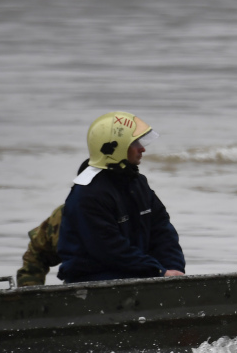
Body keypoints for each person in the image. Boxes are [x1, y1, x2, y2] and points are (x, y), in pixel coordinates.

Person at [56, 111, 186, 283]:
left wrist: (173, 268)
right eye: (135, 143)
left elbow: (162, 229)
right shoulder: (88, 195)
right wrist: (157, 271)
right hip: (93, 283)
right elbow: (110, 250)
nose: (142, 148)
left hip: (139, 275)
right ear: (113, 148)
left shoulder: (138, 183)